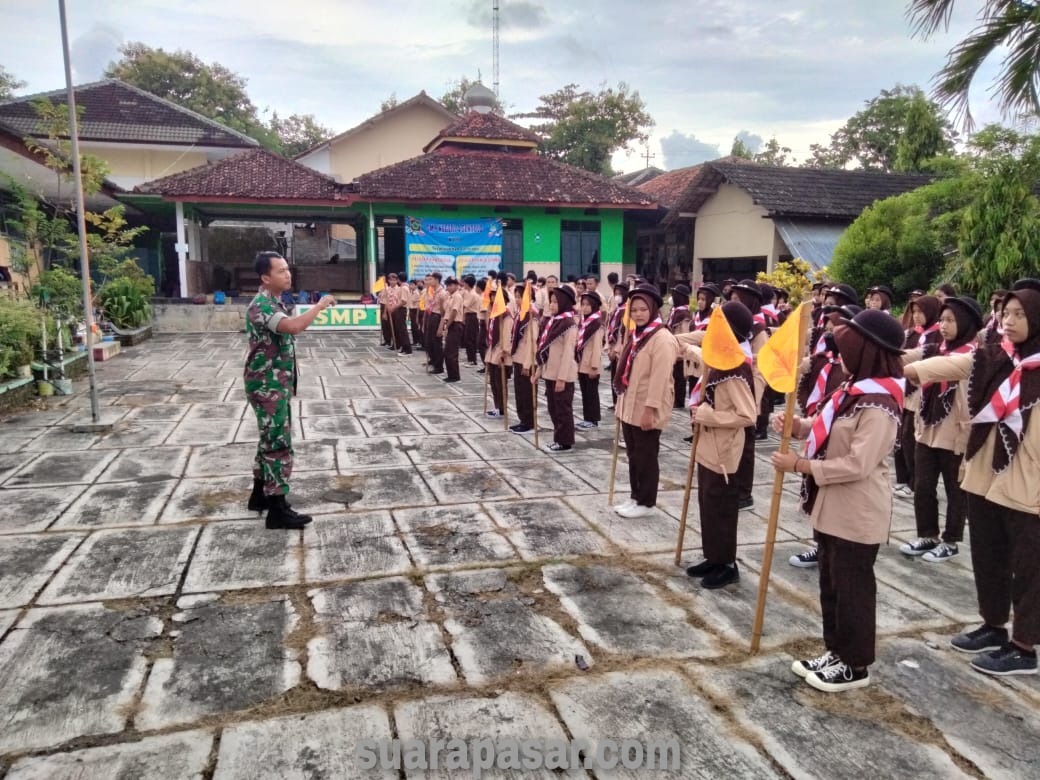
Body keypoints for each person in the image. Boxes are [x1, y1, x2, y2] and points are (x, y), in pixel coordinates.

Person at [904, 286, 1040, 676]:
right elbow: (955, 365)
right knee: (988, 556)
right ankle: (993, 625)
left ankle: (1024, 645)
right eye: (1005, 313)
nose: (1008, 321)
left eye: (1019, 314)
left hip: (1028, 484)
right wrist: (907, 371)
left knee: (1029, 567)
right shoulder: (994, 357)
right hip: (985, 475)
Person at [773, 308, 907, 692]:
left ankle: (856, 664)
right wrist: (795, 427)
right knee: (831, 585)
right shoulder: (851, 391)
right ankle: (836, 650)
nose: (842, 358)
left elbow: (858, 463)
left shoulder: (880, 402)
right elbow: (826, 431)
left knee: (853, 589)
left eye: (849, 350)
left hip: (857, 511)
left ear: (868, 351)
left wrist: (801, 465)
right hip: (831, 507)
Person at [245, 251, 335, 530]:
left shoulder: (273, 301)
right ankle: (277, 509)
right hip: (267, 385)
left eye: (287, 269)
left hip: (273, 382)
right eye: (281, 271)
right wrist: (318, 306)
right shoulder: (262, 306)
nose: (288, 274)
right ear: (265, 277)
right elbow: (293, 327)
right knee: (278, 444)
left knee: (268, 441)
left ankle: (259, 495)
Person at [680, 302, 757, 587]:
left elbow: (748, 415)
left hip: (725, 451)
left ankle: (727, 563)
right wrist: (686, 349)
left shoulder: (736, 368)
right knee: (707, 504)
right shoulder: (721, 358)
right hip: (708, 445)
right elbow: (701, 354)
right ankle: (713, 556)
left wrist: (707, 415)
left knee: (722, 507)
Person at [900, 296, 982, 562]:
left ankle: (951, 540)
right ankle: (927, 534)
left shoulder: (974, 356)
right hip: (928, 430)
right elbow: (906, 356)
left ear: (966, 323)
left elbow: (932, 369)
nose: (944, 325)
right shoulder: (935, 348)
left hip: (956, 435)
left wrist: (906, 369)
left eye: (951, 320)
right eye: (942, 319)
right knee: (923, 485)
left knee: (955, 490)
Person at [612, 284, 680, 518]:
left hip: (647, 408)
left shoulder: (661, 338)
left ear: (652, 310)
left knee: (646, 455)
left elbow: (659, 381)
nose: (638, 314)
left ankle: (647, 502)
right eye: (634, 310)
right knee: (633, 455)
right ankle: (636, 496)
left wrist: (650, 411)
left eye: (643, 309)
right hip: (630, 406)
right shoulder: (637, 335)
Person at [894, 294, 943, 499]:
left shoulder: (937, 338)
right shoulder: (912, 334)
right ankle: (903, 478)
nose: (916, 316)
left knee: (909, 435)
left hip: (922, 390)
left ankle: (914, 481)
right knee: (900, 435)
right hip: (905, 389)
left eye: (920, 312)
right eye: (913, 311)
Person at [536, 284, 578, 452]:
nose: (551, 305)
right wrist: (539, 371)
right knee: (553, 408)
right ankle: (558, 438)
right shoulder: (554, 322)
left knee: (562, 410)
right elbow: (545, 350)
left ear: (564, 303)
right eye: (550, 302)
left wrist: (561, 378)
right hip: (550, 373)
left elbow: (568, 353)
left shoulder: (569, 324)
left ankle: (565, 441)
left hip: (562, 375)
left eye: (555, 302)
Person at [510, 280, 540, 435]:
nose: (517, 299)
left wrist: (528, 364)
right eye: (516, 296)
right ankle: (522, 420)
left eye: (520, 297)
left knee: (528, 394)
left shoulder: (531, 316)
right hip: (518, 358)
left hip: (527, 361)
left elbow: (532, 343)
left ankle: (529, 423)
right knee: (520, 392)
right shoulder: (520, 314)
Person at [576, 291, 605, 429]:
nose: (585, 307)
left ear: (594, 306)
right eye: (583, 304)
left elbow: (597, 347)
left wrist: (594, 366)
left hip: (591, 365)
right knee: (585, 392)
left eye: (588, 305)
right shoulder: (585, 321)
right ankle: (587, 417)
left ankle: (593, 419)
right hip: (582, 363)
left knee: (591, 393)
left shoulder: (596, 323)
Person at [486, 286, 513, 417]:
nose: (492, 298)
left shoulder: (506, 315)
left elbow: (507, 336)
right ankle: (497, 407)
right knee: (493, 382)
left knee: (500, 382)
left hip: (501, 353)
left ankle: (502, 408)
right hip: (493, 352)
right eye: (491, 296)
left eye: (495, 296)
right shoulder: (494, 313)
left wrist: (503, 352)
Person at [667, 284, 693, 410]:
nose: (672, 297)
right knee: (674, 377)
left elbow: (685, 334)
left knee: (680, 377)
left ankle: (679, 401)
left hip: (680, 351)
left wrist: (680, 352)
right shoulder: (675, 311)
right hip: (672, 348)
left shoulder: (684, 314)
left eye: (675, 294)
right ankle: (674, 399)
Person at [439, 277, 464, 382]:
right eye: (447, 285)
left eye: (451, 285)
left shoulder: (457, 297)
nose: (449, 287)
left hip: (454, 324)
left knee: (451, 352)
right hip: (449, 323)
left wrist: (446, 326)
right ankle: (451, 374)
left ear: (456, 285)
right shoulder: (449, 297)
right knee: (448, 351)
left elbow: (454, 313)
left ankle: (454, 376)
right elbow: (445, 313)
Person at [424, 273, 447, 374]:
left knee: (437, 343)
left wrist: (441, 327)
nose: (429, 281)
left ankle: (439, 366)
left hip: (437, 317)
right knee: (429, 342)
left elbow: (444, 312)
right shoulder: (433, 292)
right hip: (431, 316)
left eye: (431, 279)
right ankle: (433, 361)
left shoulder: (442, 293)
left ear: (437, 280)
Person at [385, 273, 412, 355]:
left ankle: (407, 349)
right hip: (400, 309)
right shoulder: (405, 287)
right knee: (400, 330)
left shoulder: (403, 288)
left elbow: (403, 301)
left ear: (398, 279)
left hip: (401, 309)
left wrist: (394, 307)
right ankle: (404, 348)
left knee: (402, 330)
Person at [462, 274, 480, 366]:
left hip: (472, 316)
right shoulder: (469, 293)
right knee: (468, 338)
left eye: (464, 283)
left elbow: (464, 305)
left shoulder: (472, 294)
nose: (463, 285)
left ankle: (472, 360)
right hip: (469, 316)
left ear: (468, 284)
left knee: (470, 339)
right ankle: (471, 359)